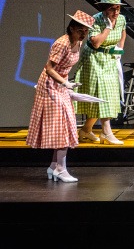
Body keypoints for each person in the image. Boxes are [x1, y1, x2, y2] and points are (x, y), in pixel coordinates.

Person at [26, 10, 95, 183]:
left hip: (61, 84)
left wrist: (67, 83)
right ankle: (60, 169)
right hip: (50, 85)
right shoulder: (62, 43)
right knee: (63, 126)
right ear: (71, 28)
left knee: (66, 124)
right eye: (80, 30)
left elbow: (66, 66)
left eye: (86, 31)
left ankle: (54, 166)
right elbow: (49, 68)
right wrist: (64, 83)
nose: (83, 34)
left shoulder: (78, 42)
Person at [73, 0, 128, 145]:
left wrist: (119, 50)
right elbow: (96, 43)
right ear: (104, 8)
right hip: (94, 58)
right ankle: (106, 132)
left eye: (118, 8)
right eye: (112, 9)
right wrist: (108, 28)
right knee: (101, 93)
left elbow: (123, 34)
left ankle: (86, 130)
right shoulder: (96, 20)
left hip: (110, 58)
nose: (116, 12)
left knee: (108, 94)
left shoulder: (121, 19)